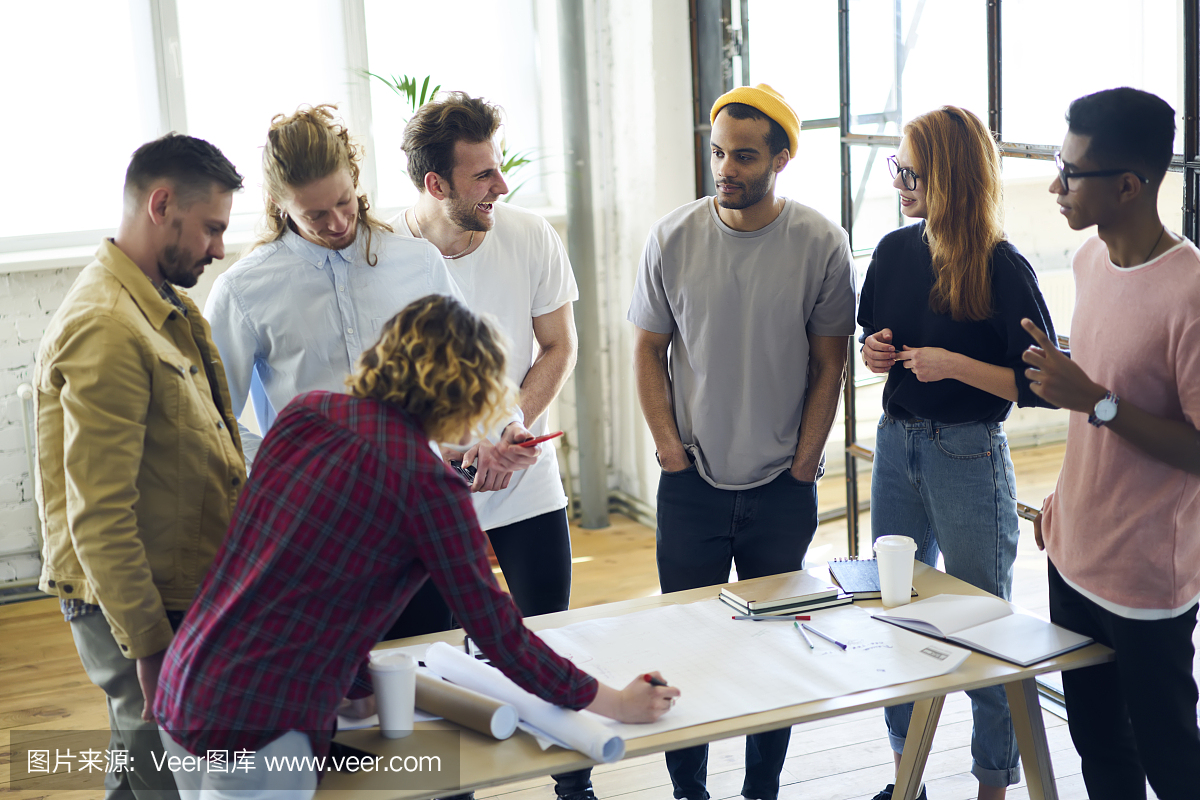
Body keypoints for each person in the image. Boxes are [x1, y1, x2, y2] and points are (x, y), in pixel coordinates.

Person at [154, 294, 681, 799]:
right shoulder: (428, 486)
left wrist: (353, 680)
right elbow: (498, 632)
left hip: (185, 681)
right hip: (257, 725)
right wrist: (614, 702)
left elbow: (296, 568)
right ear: (465, 393)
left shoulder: (306, 413)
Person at [204, 104, 537, 639]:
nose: (337, 224)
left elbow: (469, 368)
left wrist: (506, 427)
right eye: (315, 215)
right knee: (342, 697)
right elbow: (210, 414)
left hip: (416, 527)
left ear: (356, 180)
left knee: (430, 677)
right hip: (315, 539)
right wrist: (283, 468)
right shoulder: (244, 290)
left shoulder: (418, 261)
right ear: (277, 204)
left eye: (344, 203)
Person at [628, 84, 856, 800]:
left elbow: (831, 362)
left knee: (774, 650)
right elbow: (646, 350)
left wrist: (804, 461)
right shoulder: (671, 236)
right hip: (691, 483)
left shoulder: (821, 242)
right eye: (719, 151)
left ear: (782, 158)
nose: (726, 167)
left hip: (781, 488)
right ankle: (688, 790)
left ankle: (762, 791)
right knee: (683, 649)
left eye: (745, 155)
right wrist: (668, 450)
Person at [34, 134, 247, 800]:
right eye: (212, 228)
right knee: (169, 777)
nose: (218, 248)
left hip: (174, 581)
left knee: (141, 767)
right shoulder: (107, 325)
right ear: (162, 204)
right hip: (134, 601)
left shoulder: (160, 304)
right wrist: (152, 650)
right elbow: (98, 513)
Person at [391, 92, 587, 800]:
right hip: (429, 498)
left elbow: (558, 346)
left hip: (526, 486)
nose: (501, 186)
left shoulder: (529, 235)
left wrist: (512, 428)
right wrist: (450, 455)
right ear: (435, 184)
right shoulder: (384, 254)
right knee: (437, 668)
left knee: (550, 644)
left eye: (498, 169)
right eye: (482, 176)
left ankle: (576, 787)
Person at [859, 106, 1056, 800]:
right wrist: (876, 352)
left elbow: (1040, 387)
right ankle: (902, 781)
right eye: (898, 167)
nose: (901, 182)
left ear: (950, 176)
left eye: (913, 171)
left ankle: (993, 786)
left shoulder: (1004, 268)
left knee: (985, 626)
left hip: (969, 455)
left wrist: (955, 365)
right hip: (897, 444)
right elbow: (872, 342)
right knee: (895, 612)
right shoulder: (892, 251)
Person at [1024, 87, 1200, 800]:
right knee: (1098, 749)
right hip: (1073, 557)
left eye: (1071, 172)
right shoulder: (1090, 262)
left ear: (1128, 186)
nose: (1055, 186)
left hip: (1146, 582)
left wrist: (1094, 400)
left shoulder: (1190, 293)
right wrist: (1066, 500)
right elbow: (1093, 413)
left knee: (1171, 761)